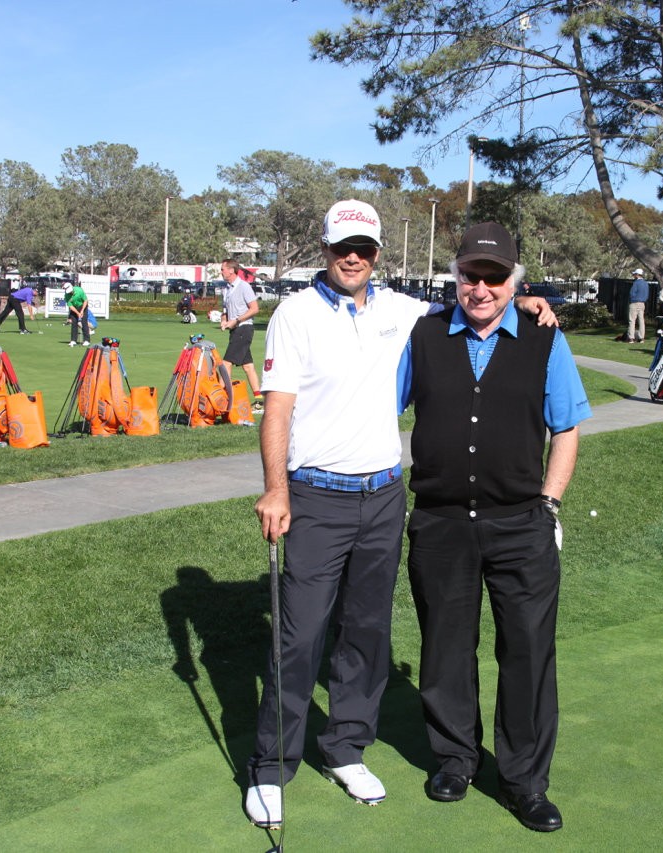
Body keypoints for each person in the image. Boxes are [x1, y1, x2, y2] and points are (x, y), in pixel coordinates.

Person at [246, 200, 556, 829]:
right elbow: (276, 409)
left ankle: (346, 748)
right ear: (325, 249)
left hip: (386, 495)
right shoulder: (296, 314)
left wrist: (527, 301)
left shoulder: (405, 313)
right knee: (301, 634)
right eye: (341, 247)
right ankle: (272, 765)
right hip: (316, 493)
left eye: (362, 247)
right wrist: (275, 488)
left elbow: (477, 310)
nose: (351, 257)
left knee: (367, 633)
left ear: (379, 252)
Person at [399, 221, 591, 833]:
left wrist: (551, 502)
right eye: (470, 276)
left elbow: (566, 427)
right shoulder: (425, 333)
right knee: (446, 648)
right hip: (440, 521)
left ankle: (524, 781)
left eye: (494, 278)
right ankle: (455, 760)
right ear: (455, 275)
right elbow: (382, 405)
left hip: (521, 524)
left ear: (516, 280)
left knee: (529, 653)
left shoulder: (543, 337)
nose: (480, 289)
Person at [218, 259, 263, 411]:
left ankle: (223, 400)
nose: (221, 272)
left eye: (222, 269)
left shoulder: (244, 286)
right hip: (235, 330)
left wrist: (236, 320)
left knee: (226, 364)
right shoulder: (226, 289)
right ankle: (259, 401)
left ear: (231, 270)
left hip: (244, 329)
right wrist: (224, 321)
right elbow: (225, 310)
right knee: (248, 367)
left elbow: (254, 308)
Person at [627, 267, 650, 343]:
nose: (634, 276)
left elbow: (631, 293)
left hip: (634, 302)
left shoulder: (636, 283)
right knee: (641, 320)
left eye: (634, 274)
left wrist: (632, 299)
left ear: (637, 275)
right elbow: (647, 294)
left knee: (632, 320)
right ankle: (641, 337)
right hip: (642, 303)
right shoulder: (645, 283)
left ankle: (631, 337)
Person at [64, 282, 91, 347]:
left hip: (83, 306)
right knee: (74, 323)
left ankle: (87, 340)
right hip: (74, 308)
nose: (70, 293)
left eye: (71, 291)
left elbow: (85, 301)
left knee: (84, 322)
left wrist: (82, 311)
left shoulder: (79, 290)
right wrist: (78, 313)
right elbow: (71, 306)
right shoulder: (66, 295)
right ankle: (73, 340)